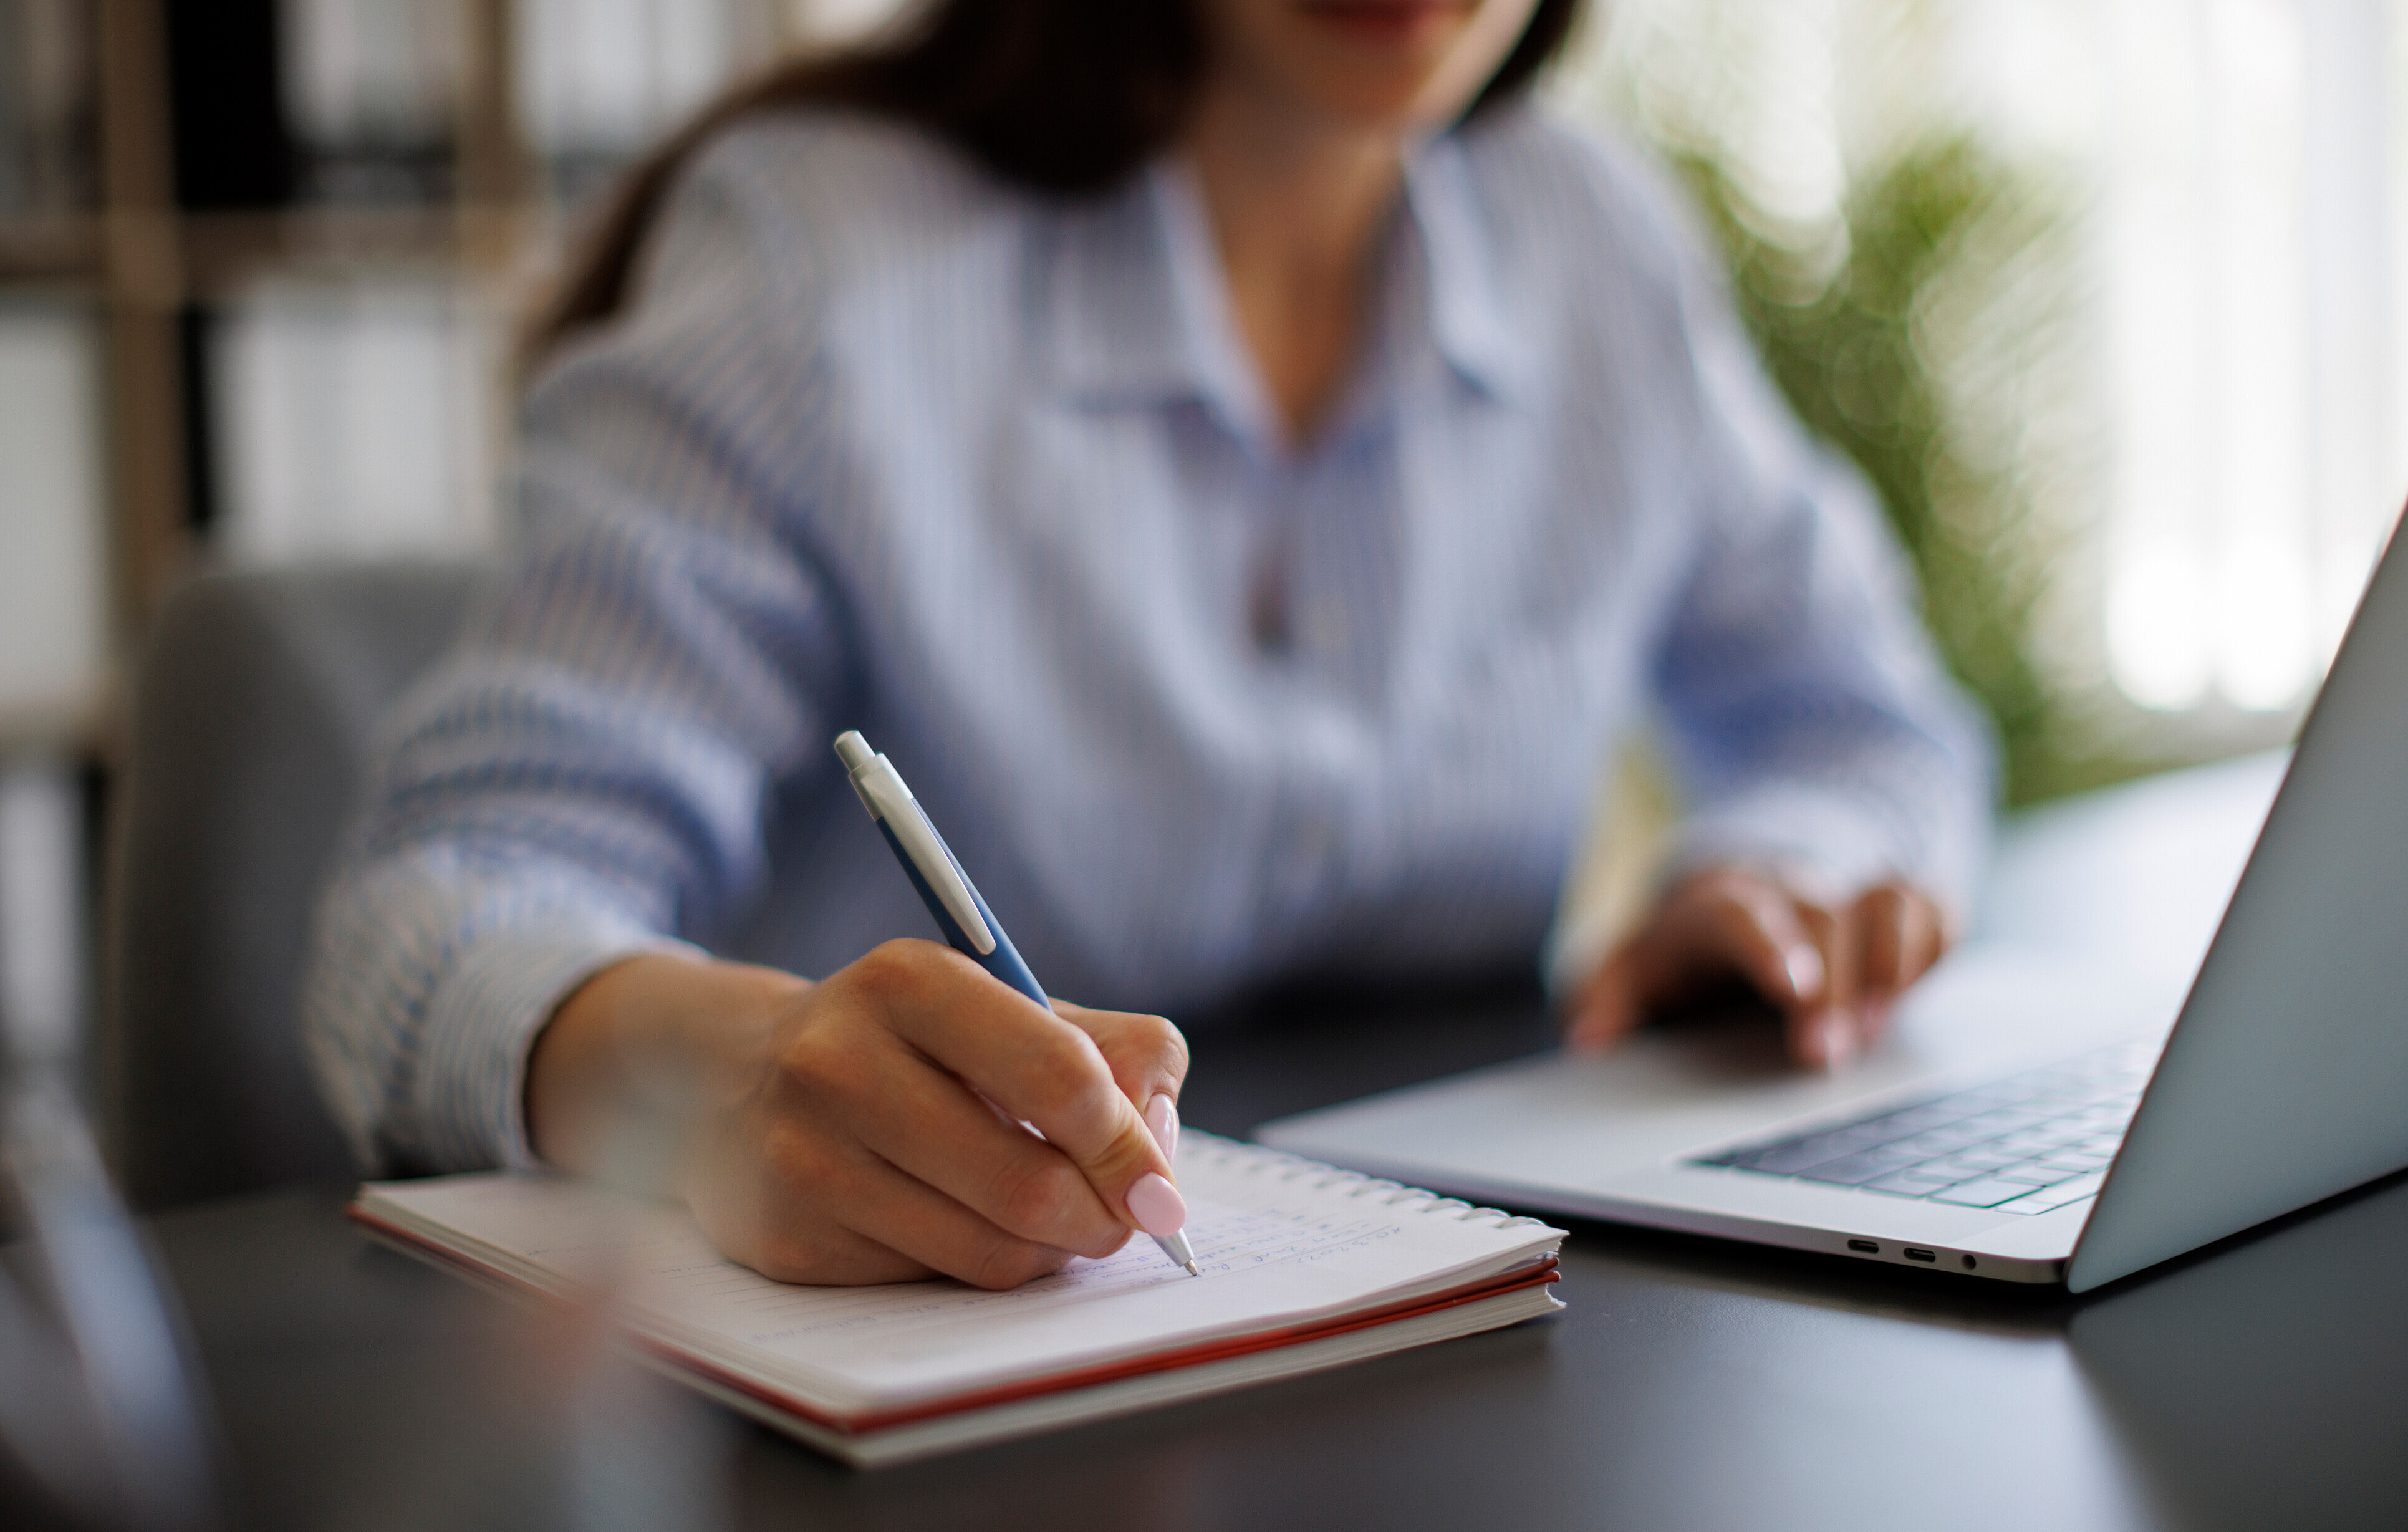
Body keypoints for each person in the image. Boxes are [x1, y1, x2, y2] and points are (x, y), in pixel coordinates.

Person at [304, 0, 1990, 1293]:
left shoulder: (1594, 244)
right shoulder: (818, 269)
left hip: (1459, 1334)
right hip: (915, 1371)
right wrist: (708, 1067)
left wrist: (1782, 877)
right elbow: (433, 902)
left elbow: (1864, 731)